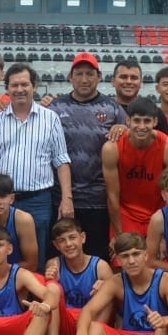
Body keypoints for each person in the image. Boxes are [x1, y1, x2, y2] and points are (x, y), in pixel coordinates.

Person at [0, 62, 72, 263]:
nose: (20, 89)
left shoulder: (50, 119)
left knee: (36, 260)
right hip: (0, 202)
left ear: (34, 86)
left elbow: (61, 160)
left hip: (38, 200)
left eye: (24, 84)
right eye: (14, 85)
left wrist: (67, 198)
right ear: (7, 88)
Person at [49, 52, 127, 257]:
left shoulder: (113, 109)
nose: (84, 79)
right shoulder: (54, 108)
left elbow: (127, 145)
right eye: (79, 73)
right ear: (70, 76)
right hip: (62, 199)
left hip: (97, 200)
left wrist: (123, 129)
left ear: (99, 77)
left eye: (90, 74)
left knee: (95, 256)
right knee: (61, 256)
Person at [102, 98, 168, 237]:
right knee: (124, 257)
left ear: (155, 122)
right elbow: (112, 196)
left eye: (147, 121)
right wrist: (119, 234)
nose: (142, 126)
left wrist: (164, 234)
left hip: (158, 214)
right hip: (126, 214)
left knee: (162, 258)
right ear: (128, 121)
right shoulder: (112, 148)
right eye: (137, 120)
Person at [43, 217, 114, 335]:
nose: (68, 244)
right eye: (62, 240)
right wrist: (51, 280)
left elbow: (119, 299)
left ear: (83, 238)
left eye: (72, 238)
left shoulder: (100, 266)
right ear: (56, 245)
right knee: (51, 289)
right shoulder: (54, 264)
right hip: (64, 323)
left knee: (108, 294)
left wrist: (105, 288)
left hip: (90, 323)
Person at [110, 58, 168, 138]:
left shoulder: (155, 112)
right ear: (113, 81)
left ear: (141, 83)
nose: (129, 81)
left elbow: (167, 145)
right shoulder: (102, 109)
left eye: (134, 78)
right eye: (123, 77)